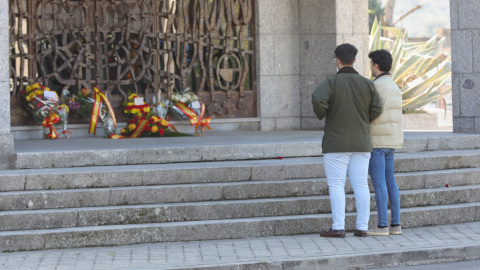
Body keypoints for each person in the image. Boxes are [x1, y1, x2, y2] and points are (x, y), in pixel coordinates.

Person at [312, 43, 383, 238]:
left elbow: (318, 99)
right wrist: (363, 119)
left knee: (336, 185)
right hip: (361, 141)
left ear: (337, 60)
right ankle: (362, 227)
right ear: (354, 60)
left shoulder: (331, 82)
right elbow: (377, 107)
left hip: (336, 142)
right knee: (360, 185)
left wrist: (326, 112)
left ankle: (338, 227)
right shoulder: (367, 83)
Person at [367, 49, 404, 236]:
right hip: (392, 141)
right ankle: (395, 224)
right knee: (391, 182)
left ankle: (382, 226)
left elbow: (370, 113)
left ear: (376, 65)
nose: (370, 67)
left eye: (371, 63)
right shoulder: (394, 86)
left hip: (377, 142)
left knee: (379, 183)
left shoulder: (375, 86)